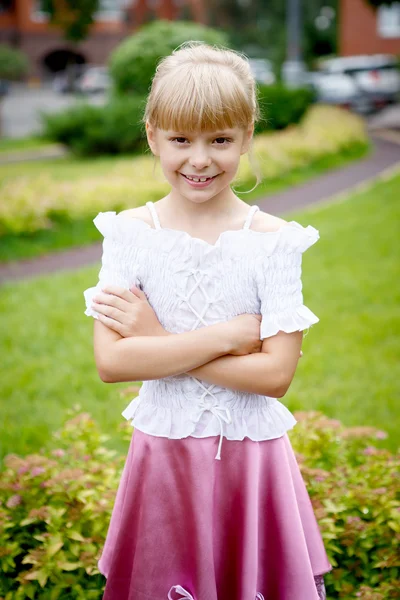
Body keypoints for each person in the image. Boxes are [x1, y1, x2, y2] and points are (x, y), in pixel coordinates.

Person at [84, 42, 332, 600]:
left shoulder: (274, 243)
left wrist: (158, 341)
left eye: (220, 140)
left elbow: (275, 377)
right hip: (163, 455)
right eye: (181, 140)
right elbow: (112, 361)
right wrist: (228, 336)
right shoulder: (129, 236)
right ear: (152, 135)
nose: (200, 160)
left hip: (253, 457)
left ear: (246, 136)